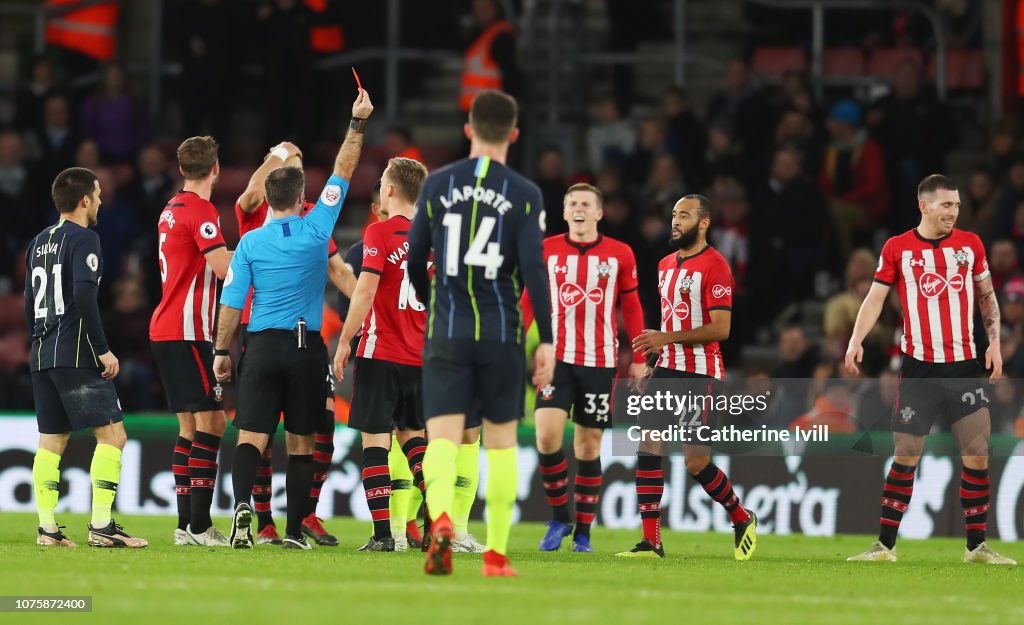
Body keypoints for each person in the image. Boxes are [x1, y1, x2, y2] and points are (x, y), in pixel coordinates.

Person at [213, 88, 373, 550]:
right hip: (305, 346)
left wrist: (223, 351)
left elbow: (230, 304)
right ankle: (294, 528)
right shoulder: (316, 229)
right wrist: (356, 122)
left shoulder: (248, 244)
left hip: (259, 343)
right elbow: (344, 168)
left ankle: (243, 507)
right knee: (302, 441)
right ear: (303, 196)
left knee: (251, 434)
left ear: (268, 196)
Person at [406, 89, 555, 577]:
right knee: (501, 444)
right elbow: (535, 271)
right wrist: (547, 340)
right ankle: (494, 554)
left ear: (468, 129)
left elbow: (414, 260)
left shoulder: (437, 184)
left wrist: (433, 305)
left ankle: (442, 519)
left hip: (446, 331)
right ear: (514, 134)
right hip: (501, 333)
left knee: (443, 440)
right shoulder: (526, 194)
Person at [845, 174, 1016, 565]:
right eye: (946, 205)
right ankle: (884, 545)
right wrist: (856, 339)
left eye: (956, 205)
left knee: (977, 452)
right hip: (918, 367)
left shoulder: (970, 245)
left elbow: (987, 296)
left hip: (963, 367)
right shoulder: (898, 248)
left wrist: (993, 342)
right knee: (906, 452)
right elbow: (874, 299)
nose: (953, 212)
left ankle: (976, 548)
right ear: (924, 206)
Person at [620, 194, 758, 561]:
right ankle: (652, 542)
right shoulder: (666, 264)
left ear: (704, 222)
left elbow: (721, 327)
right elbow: (670, 321)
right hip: (667, 369)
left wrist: (666, 339)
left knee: (695, 462)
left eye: (684, 215)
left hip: (702, 373)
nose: (676, 222)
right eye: (674, 216)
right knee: (649, 445)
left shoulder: (716, 265)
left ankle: (741, 516)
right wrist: (655, 357)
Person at [234, 141, 357, 546]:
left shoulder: (311, 225)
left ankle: (305, 514)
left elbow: (338, 271)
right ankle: (267, 520)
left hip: (296, 337)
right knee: (265, 434)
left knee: (323, 423)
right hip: (266, 330)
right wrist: (280, 154)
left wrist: (367, 311)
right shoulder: (253, 218)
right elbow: (252, 193)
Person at [521, 183, 646, 553]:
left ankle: (584, 532)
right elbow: (529, 299)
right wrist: (513, 342)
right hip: (556, 358)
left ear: (598, 212)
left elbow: (633, 307)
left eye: (585, 204)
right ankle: (561, 517)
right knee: (546, 436)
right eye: (572, 203)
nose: (578, 208)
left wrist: (639, 357)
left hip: (599, 361)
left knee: (588, 445)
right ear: (564, 213)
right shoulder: (546, 251)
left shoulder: (619, 254)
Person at [27, 167, 147, 548]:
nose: (99, 201)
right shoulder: (85, 239)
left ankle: (47, 529)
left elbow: (31, 303)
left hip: (42, 354)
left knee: (51, 441)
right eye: (96, 195)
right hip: (75, 352)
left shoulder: (37, 243)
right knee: (113, 435)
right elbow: (83, 293)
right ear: (83, 200)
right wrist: (102, 348)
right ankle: (101, 526)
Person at [333, 157, 432, 552]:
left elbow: (365, 290)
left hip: (380, 352)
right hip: (421, 356)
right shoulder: (435, 237)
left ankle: (382, 536)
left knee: (376, 441)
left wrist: (344, 341)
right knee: (415, 441)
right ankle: (439, 522)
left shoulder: (379, 233)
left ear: (388, 191)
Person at [149, 136, 233, 547]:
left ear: (182, 169)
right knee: (214, 423)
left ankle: (186, 526)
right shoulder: (201, 211)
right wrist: (260, 253)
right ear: (215, 169)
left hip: (166, 328)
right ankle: (200, 527)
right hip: (188, 330)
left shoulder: (169, 209)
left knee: (188, 428)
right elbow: (222, 267)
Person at [459, 0, 521, 113]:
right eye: (476, 10)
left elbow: (510, 74)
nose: (478, 14)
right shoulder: (479, 36)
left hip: (492, 111)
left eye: (483, 10)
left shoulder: (501, 37)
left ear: (494, 10)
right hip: (476, 109)